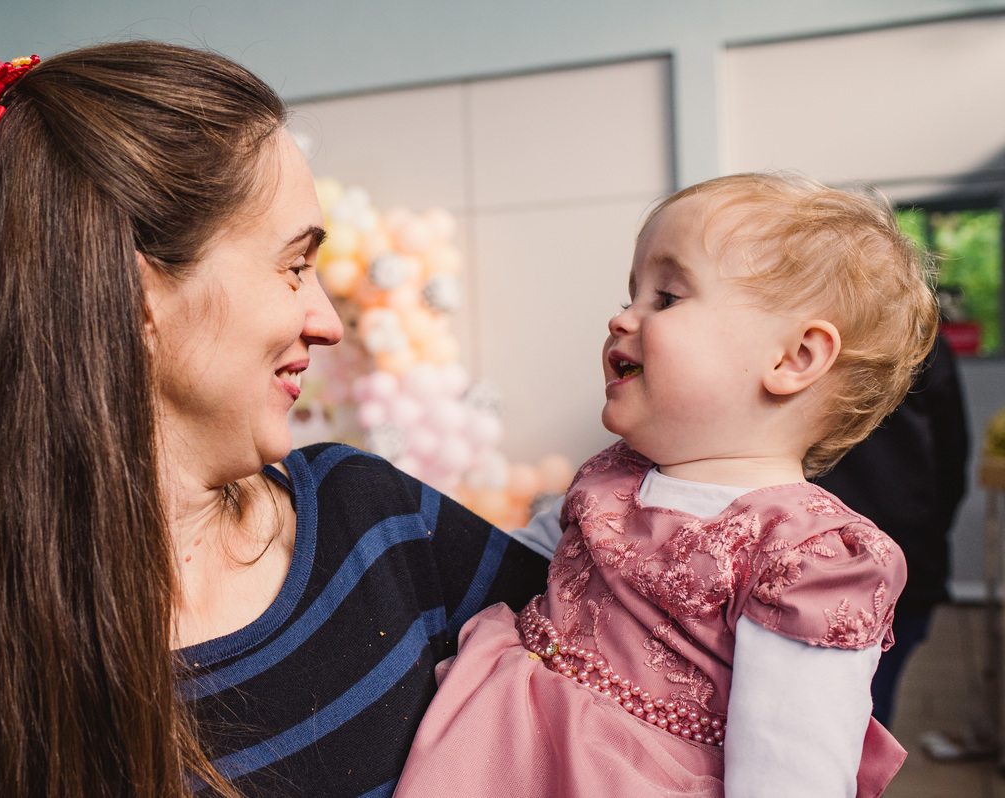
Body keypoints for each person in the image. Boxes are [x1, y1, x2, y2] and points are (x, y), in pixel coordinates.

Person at [0, 42, 549, 798]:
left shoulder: (381, 525)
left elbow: (616, 671)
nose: (328, 322)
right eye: (294, 266)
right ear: (134, 295)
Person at [394, 173, 939, 798]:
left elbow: (790, 770)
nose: (621, 316)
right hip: (499, 747)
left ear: (793, 358)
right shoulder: (614, 475)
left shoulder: (808, 556)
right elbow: (505, 560)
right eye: (632, 293)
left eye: (667, 297)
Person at [815, 333, 969, 727]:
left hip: (810, 547)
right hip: (901, 545)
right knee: (868, 712)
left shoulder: (791, 323)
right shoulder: (921, 337)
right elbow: (952, 457)